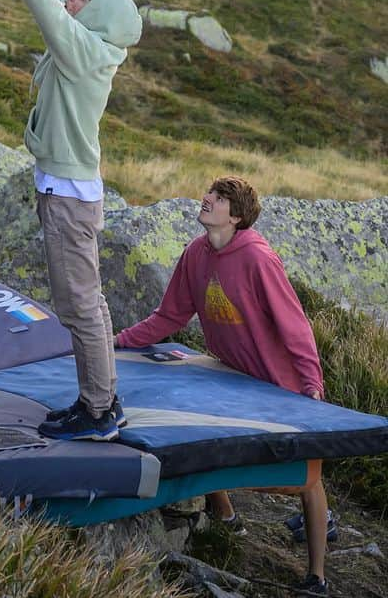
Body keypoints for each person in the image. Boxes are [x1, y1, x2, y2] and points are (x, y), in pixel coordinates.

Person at [0, 0, 142, 442]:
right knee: (81, 304)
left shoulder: (86, 53)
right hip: (65, 190)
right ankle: (96, 401)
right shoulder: (87, 40)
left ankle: (99, 412)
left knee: (80, 308)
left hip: (71, 199)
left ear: (92, 14)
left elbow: (44, 1)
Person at [115, 176, 330, 596]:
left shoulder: (257, 258)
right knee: (211, 438)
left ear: (235, 216)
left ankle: (318, 576)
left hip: (277, 381)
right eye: (209, 192)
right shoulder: (195, 254)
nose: (207, 198)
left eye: (219, 198)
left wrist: (311, 386)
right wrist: (118, 342)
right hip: (229, 374)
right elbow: (168, 318)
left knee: (309, 476)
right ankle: (226, 515)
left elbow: (294, 325)